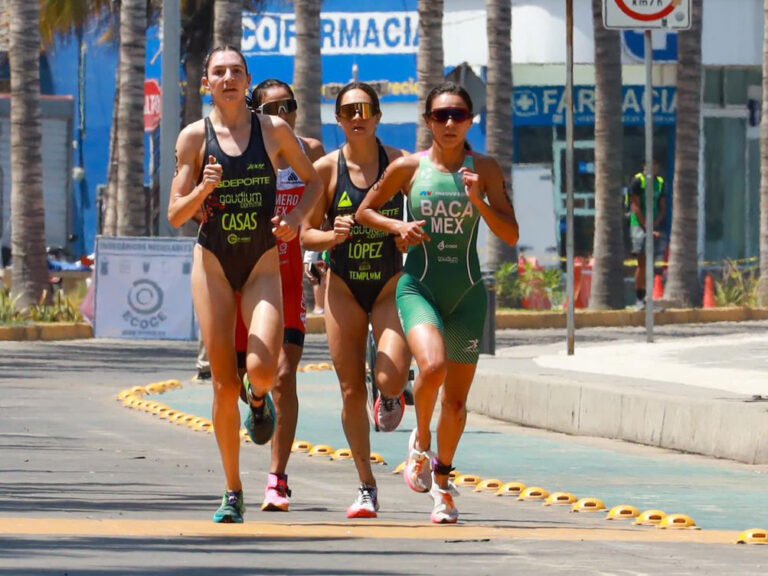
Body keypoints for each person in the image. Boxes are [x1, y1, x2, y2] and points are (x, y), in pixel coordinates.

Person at [167, 46, 323, 524]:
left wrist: (296, 219)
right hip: (213, 261)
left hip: (260, 262)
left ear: (247, 80)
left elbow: (314, 180)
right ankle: (232, 490)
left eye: (236, 71)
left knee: (261, 371)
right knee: (221, 383)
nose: (229, 78)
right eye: (219, 72)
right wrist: (203, 189)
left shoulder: (273, 130)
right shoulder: (194, 138)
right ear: (206, 84)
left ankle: (258, 401)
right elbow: (176, 215)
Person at [356, 82, 519, 524]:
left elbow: (511, 234)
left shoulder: (483, 168)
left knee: (458, 403)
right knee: (431, 368)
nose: (450, 123)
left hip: (466, 295)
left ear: (470, 121)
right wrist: (397, 228)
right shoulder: (409, 168)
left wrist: (478, 202)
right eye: (441, 115)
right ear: (427, 120)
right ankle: (420, 443)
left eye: (459, 115)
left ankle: (443, 485)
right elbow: (364, 211)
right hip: (420, 287)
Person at [301, 82, 412, 519]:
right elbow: (306, 232)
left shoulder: (400, 163)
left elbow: (425, 209)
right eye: (349, 111)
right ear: (340, 120)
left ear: (379, 116)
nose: (358, 116)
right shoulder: (328, 169)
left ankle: (390, 394)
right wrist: (333, 236)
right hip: (344, 286)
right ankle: (366, 485)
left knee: (386, 376)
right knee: (349, 389)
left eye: (366, 109)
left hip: (387, 284)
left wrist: (407, 235)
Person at [245, 78, 325, 512]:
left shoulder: (309, 148)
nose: (283, 114)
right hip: (250, 273)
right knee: (253, 377)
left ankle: (277, 480)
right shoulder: (243, 149)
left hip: (291, 272)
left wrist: (318, 248)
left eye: (289, 105)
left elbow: (324, 197)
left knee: (283, 376)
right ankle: (255, 404)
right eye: (272, 108)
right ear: (256, 112)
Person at [628, 160, 667, 310]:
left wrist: (655, 224)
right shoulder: (638, 181)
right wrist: (646, 227)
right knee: (642, 263)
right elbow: (635, 207)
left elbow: (662, 207)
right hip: (639, 226)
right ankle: (639, 299)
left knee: (651, 264)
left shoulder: (660, 182)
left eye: (655, 165)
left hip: (653, 226)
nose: (652, 168)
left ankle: (648, 299)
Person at [303, 250, 327, 314]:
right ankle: (319, 308)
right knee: (320, 276)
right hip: (319, 251)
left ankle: (321, 308)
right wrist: (308, 260)